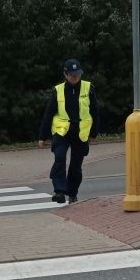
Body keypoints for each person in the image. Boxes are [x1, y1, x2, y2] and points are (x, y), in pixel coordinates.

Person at [37, 58, 99, 204]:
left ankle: (72, 193)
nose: (75, 77)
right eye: (72, 75)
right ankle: (59, 191)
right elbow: (48, 113)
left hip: (81, 132)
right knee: (59, 158)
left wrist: (93, 133)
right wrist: (42, 136)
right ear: (65, 74)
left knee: (76, 167)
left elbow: (95, 112)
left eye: (77, 74)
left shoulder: (88, 88)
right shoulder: (57, 90)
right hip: (61, 131)